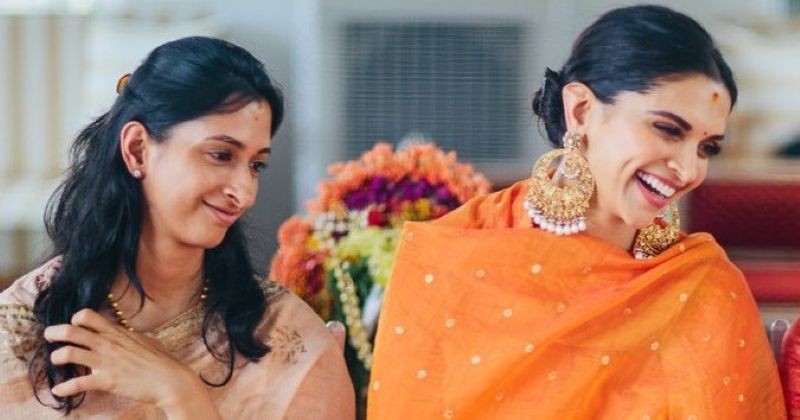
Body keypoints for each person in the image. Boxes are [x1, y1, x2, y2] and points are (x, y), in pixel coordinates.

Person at [368, 5, 786, 419]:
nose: (689, 170)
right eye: (667, 129)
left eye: (707, 148)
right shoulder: (450, 260)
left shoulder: (702, 287)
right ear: (581, 110)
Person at [0, 36, 354, 419]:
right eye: (221, 155)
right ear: (137, 149)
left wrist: (181, 393)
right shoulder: (18, 337)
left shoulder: (290, 344)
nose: (245, 193)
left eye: (256, 165)